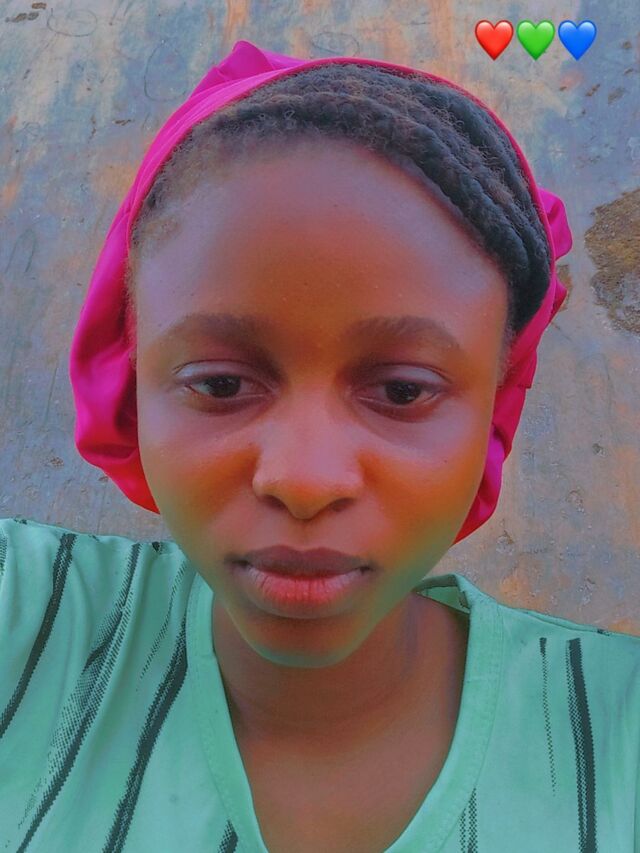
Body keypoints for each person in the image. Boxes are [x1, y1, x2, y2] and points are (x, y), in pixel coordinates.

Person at [1, 39, 638, 853]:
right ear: (131, 383)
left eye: (401, 391)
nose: (304, 480)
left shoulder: (620, 736)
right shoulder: (25, 619)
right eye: (221, 384)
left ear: (495, 401)